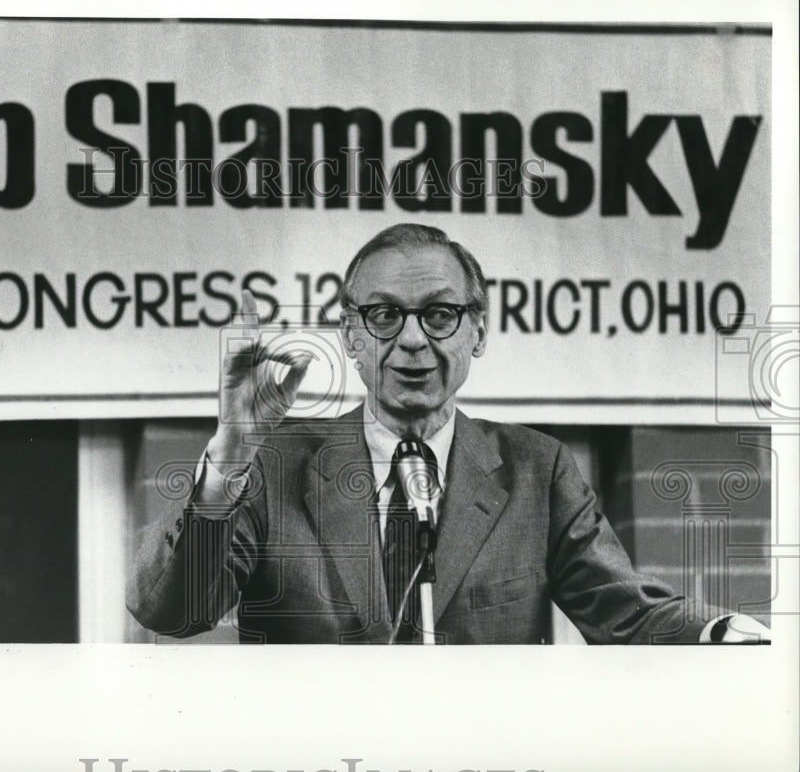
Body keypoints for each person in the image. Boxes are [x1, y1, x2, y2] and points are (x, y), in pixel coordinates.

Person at [127, 224, 770, 644]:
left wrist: (717, 630)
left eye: (439, 313)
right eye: (383, 315)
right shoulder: (274, 464)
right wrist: (230, 456)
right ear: (351, 336)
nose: (411, 339)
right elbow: (171, 611)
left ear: (478, 332)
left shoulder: (536, 469)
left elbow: (625, 611)